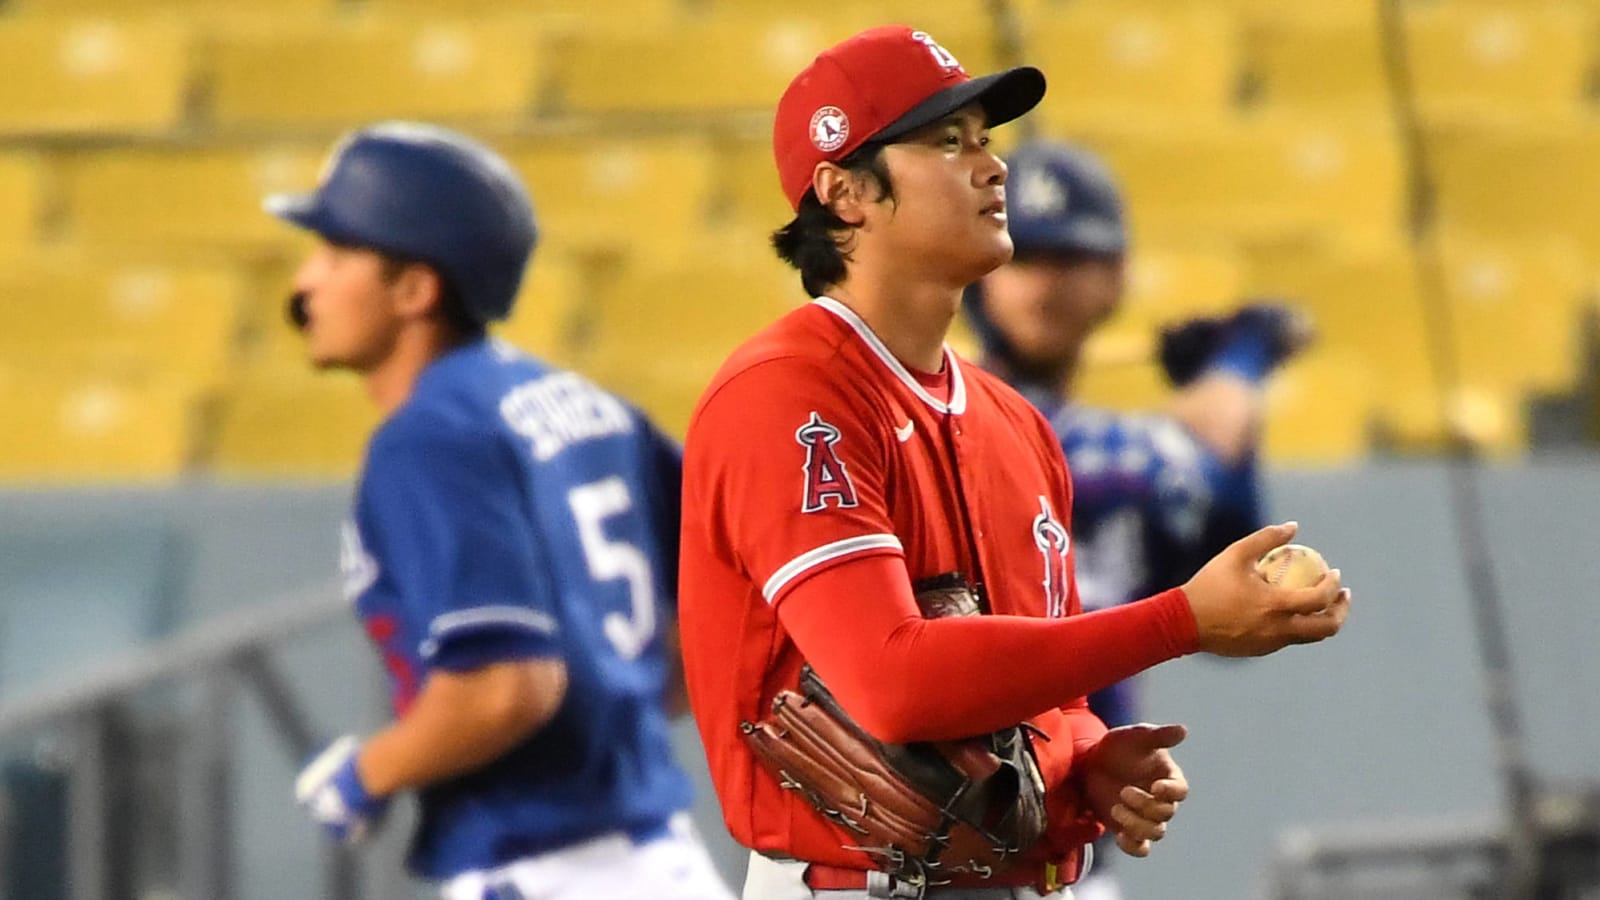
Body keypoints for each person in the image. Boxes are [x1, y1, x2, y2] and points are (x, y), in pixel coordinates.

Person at [677, 25, 1351, 900]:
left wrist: (1082, 770)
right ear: (843, 191)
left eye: (984, 140)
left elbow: (1047, 712)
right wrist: (1178, 621)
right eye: (946, 143)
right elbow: (891, 682)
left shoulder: (1015, 425)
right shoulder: (788, 392)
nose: (992, 168)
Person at [269, 121, 734, 900]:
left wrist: (364, 773)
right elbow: (721, 624)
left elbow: (503, 688)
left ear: (415, 290)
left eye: (338, 253)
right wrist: (608, 708)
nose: (306, 283)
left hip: (547, 866)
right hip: (656, 856)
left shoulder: (428, 436)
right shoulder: (585, 404)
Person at [964, 141, 1313, 900]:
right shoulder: (950, 413)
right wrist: (1241, 363)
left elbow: (1238, 589)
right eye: (1023, 257)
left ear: (1116, 277)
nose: (1044, 285)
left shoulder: (1122, 457)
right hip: (945, 853)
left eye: (1071, 258)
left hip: (1076, 852)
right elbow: (1165, 456)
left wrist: (1226, 409)